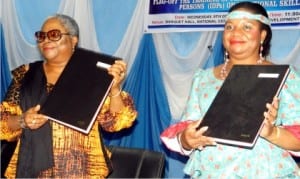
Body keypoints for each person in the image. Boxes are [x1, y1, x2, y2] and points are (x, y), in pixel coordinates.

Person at [160, 2, 300, 178]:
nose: (236, 33)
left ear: (263, 35)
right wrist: (186, 140)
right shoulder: (203, 79)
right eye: (229, 26)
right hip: (210, 172)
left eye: (247, 27)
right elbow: (189, 127)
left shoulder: (285, 77)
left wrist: (272, 132)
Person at [0, 14, 137, 178]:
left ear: (73, 40)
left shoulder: (94, 74)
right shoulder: (25, 74)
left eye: (54, 35)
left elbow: (116, 123)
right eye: (41, 36)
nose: (46, 40)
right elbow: (3, 121)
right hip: (31, 169)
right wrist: (23, 120)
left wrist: (114, 89)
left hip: (82, 170)